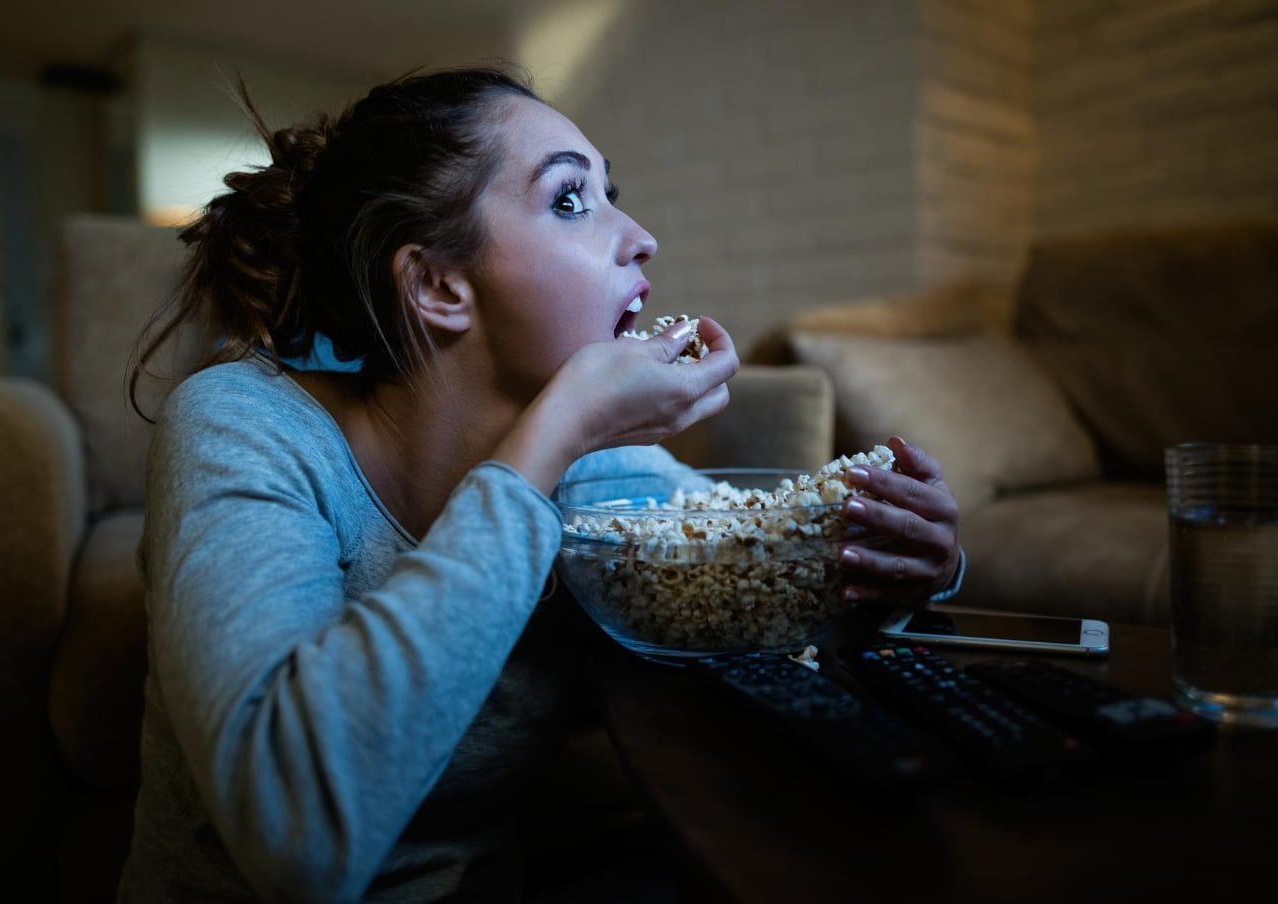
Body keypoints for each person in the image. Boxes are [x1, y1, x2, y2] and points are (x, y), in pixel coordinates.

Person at [118, 66, 963, 903]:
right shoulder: (242, 425)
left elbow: (766, 568)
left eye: (611, 194)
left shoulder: (599, 480)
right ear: (439, 286)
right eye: (570, 200)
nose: (640, 237)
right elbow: (295, 835)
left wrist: (908, 557)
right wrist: (552, 434)